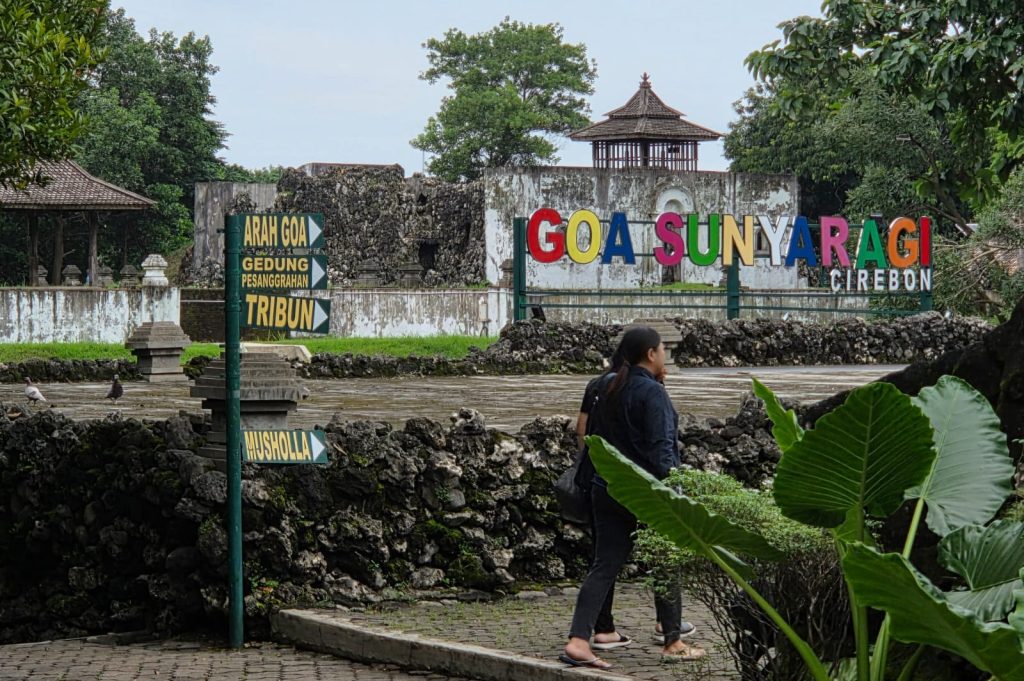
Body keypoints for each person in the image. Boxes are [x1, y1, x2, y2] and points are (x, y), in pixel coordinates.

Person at [561, 327, 705, 669]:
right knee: (666, 561)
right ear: (651, 354)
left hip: (607, 486)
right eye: (662, 351)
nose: (664, 357)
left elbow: (588, 435)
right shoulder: (651, 393)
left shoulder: (606, 386)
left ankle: (580, 639)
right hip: (647, 491)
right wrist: (675, 493)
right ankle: (672, 639)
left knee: (605, 564)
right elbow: (662, 450)